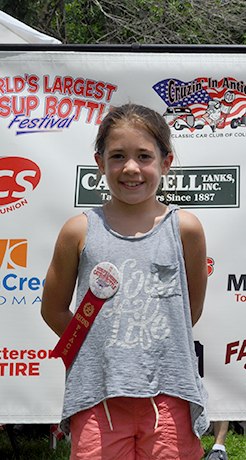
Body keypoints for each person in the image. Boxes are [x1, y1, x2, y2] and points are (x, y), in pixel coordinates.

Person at [41, 103, 209, 460]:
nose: (131, 168)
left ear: (166, 162)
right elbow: (53, 309)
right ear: (100, 162)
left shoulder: (186, 230)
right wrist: (97, 347)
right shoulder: (79, 231)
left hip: (169, 394)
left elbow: (188, 312)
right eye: (118, 156)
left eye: (144, 156)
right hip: (97, 395)